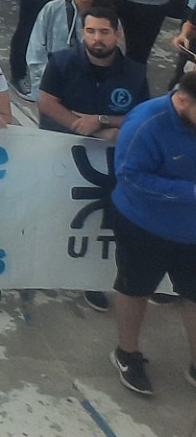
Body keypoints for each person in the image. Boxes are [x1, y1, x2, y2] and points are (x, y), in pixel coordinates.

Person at [107, 70, 196, 395]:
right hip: (143, 226)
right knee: (135, 289)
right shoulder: (145, 122)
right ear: (183, 99)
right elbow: (130, 178)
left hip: (193, 232)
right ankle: (126, 354)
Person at [39, 6, 149, 140]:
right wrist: (92, 131)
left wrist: (102, 120)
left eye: (104, 32)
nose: (97, 38)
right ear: (83, 33)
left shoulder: (135, 73)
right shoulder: (60, 62)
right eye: (90, 31)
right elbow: (46, 103)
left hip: (114, 143)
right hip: (62, 139)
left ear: (117, 35)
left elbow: (142, 116)